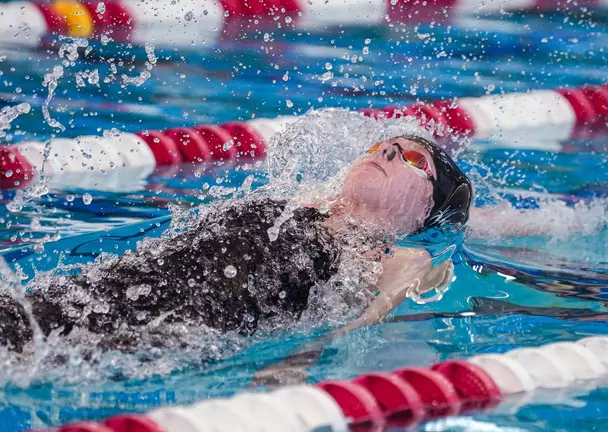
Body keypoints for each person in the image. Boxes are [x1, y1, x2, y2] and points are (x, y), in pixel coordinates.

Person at [0, 135, 472, 357]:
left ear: (424, 212)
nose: (385, 153)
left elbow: (358, 322)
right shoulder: (300, 201)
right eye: (378, 148)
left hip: (171, 329)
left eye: (412, 158)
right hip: (114, 288)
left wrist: (294, 367)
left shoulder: (402, 256)